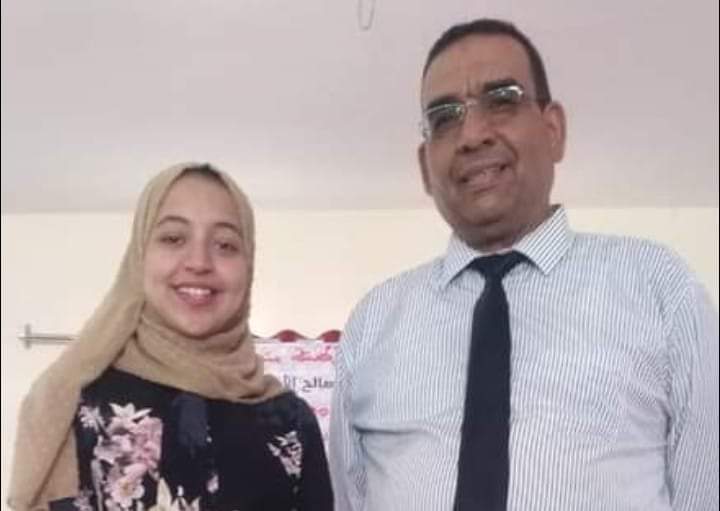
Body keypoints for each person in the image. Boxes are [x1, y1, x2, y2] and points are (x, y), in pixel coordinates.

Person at [329, 18, 718, 511]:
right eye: (444, 117)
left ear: (554, 130)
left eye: (502, 100)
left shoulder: (657, 288)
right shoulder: (374, 323)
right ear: (425, 166)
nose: (472, 134)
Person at [8, 163, 333, 511]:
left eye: (225, 245)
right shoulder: (74, 403)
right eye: (173, 238)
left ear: (248, 264)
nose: (199, 262)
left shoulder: (291, 423)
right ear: (139, 256)